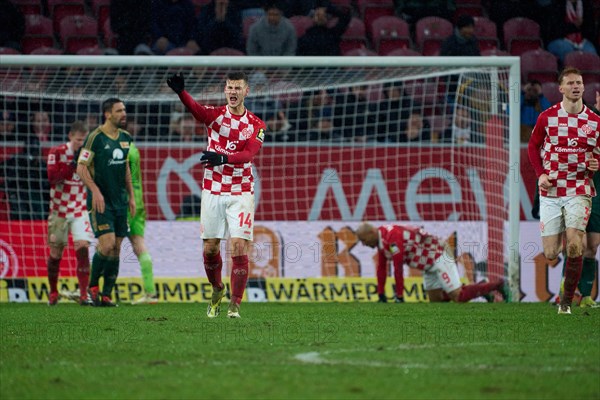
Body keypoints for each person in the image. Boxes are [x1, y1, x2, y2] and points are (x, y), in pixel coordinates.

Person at [167, 71, 265, 318]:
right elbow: (196, 109)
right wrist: (181, 93)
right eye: (229, 87)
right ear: (225, 90)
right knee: (210, 249)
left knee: (239, 247)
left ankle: (235, 303)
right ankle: (217, 288)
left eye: (238, 88)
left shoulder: (257, 125)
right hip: (213, 189)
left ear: (246, 91)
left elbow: (249, 155)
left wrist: (223, 157)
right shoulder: (215, 117)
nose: (233, 92)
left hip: (241, 191)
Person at [527, 67, 600, 315]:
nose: (576, 86)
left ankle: (566, 302)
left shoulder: (594, 121)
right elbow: (533, 146)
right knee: (550, 252)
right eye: (570, 83)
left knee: (576, 245)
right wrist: (541, 174)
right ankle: (561, 249)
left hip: (579, 188)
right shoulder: (547, 117)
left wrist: (596, 164)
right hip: (552, 190)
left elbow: (599, 155)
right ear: (561, 88)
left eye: (579, 82)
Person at [77, 98, 136, 307]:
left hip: (120, 201)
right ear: (107, 114)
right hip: (100, 203)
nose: (124, 114)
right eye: (119, 110)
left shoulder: (126, 138)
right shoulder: (95, 138)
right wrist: (95, 191)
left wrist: (131, 196)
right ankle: (92, 286)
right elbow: (81, 167)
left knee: (117, 248)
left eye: (125, 110)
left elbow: (126, 168)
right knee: (107, 244)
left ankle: (106, 294)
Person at [356, 223, 509, 303]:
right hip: (428, 265)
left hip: (438, 255)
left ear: (371, 233)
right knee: (437, 302)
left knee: (458, 297)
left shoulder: (392, 237)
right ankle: (481, 288)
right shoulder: (382, 240)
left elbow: (398, 268)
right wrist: (381, 294)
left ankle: (498, 285)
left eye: (363, 240)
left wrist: (399, 296)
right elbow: (381, 268)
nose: (363, 244)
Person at [46, 121, 94, 306]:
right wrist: (71, 165)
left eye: (83, 141)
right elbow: (52, 178)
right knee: (56, 253)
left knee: (83, 247)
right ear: (70, 136)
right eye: (77, 141)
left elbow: (92, 177)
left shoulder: (87, 155)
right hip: (59, 211)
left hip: (79, 209)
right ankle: (53, 292)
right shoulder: (57, 152)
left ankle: (83, 294)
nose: (80, 145)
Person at [127, 141, 158, 305]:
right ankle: (150, 292)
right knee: (139, 244)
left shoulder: (120, 148)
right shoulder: (134, 149)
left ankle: (94, 288)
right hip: (138, 199)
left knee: (108, 243)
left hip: (125, 200)